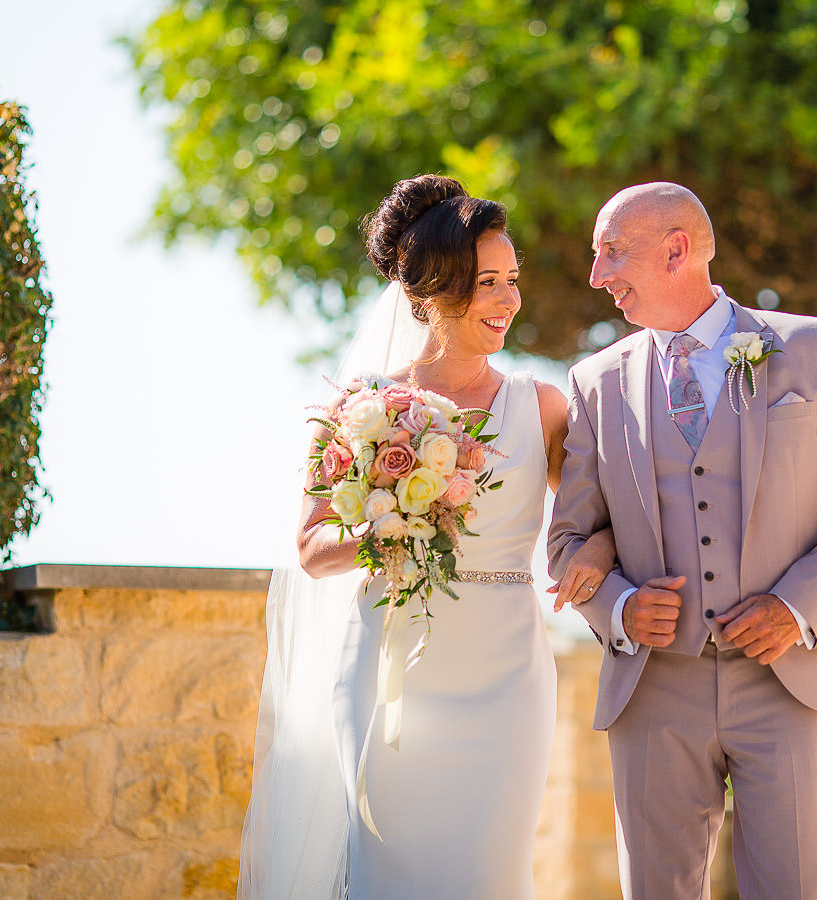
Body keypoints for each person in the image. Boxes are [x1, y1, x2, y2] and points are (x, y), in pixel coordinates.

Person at [239, 174, 615, 899]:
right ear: (432, 292)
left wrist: (595, 553)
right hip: (388, 668)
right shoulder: (361, 408)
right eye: (486, 283)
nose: (508, 300)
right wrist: (391, 533)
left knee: (492, 869)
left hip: (507, 674)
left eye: (512, 280)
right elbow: (312, 550)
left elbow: (596, 523)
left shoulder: (542, 409)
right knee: (389, 868)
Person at [548, 182, 817, 899]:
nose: (597, 277)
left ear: (677, 249)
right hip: (655, 686)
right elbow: (569, 540)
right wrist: (618, 609)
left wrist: (795, 607)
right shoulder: (594, 384)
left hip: (790, 679)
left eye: (612, 252)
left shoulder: (812, 348)